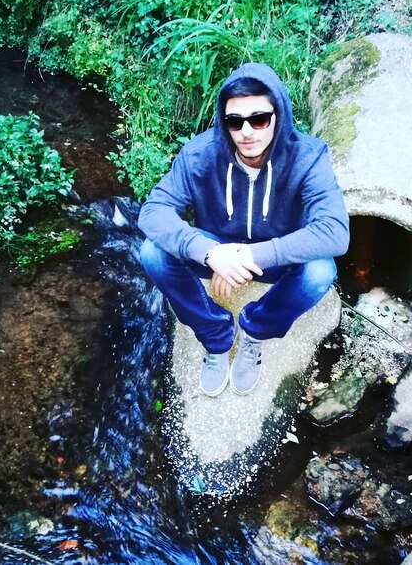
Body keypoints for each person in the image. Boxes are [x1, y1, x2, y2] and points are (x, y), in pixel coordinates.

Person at [138, 63, 349, 397]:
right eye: (234, 121)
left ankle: (254, 331)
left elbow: (335, 231)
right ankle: (215, 336)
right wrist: (210, 254)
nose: (247, 131)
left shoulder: (307, 158)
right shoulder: (199, 155)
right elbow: (153, 212)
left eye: (259, 119)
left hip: (274, 255)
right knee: (152, 252)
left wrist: (248, 257)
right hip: (217, 246)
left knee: (320, 270)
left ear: (278, 114)